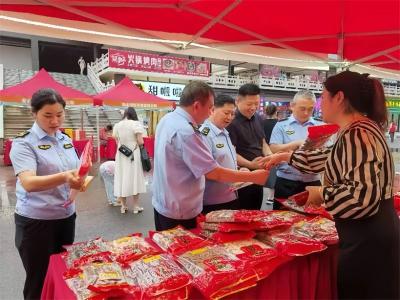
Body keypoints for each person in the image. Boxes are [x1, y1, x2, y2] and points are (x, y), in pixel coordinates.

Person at [265, 71, 399, 299]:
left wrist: (321, 193)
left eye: (323, 98)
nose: (320, 105)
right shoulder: (357, 130)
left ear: (339, 98)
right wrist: (284, 157)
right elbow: (329, 157)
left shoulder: (358, 135)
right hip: (370, 233)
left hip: (368, 236)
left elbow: (360, 198)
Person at [152, 81, 269, 231]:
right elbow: (213, 172)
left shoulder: (168, 119)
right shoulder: (187, 132)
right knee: (184, 251)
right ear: (196, 106)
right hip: (180, 209)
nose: (210, 113)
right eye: (209, 108)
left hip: (165, 202)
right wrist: (252, 177)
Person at [10, 88, 84, 300]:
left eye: (59, 114)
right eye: (48, 115)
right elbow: (29, 183)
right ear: (34, 113)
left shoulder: (65, 139)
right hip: (36, 223)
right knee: (39, 280)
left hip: (66, 218)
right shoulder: (24, 143)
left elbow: (77, 171)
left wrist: (75, 190)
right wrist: (65, 178)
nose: (55, 121)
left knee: (62, 273)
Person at [269, 90, 323, 210]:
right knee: (282, 219)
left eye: (310, 109)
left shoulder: (320, 125)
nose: (306, 112)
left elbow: (327, 152)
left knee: (313, 222)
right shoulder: (281, 125)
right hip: (286, 181)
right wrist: (295, 144)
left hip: (312, 182)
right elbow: (273, 149)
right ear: (292, 106)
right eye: (302, 108)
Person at [226, 83, 272, 210]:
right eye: (249, 104)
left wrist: (269, 156)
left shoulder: (258, 118)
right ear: (237, 101)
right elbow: (231, 153)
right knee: (242, 212)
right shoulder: (231, 122)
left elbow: (263, 143)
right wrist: (251, 165)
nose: (253, 107)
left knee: (256, 210)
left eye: (256, 104)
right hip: (242, 177)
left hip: (259, 175)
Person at [199, 94, 240, 214]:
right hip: (213, 200)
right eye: (226, 113)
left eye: (232, 114)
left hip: (231, 195)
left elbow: (225, 160)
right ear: (212, 110)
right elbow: (207, 170)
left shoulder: (224, 132)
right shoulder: (204, 134)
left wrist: (239, 171)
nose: (230, 117)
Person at [113, 107, 146, 214]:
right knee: (134, 178)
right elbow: (140, 141)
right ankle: (135, 206)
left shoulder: (117, 125)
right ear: (133, 114)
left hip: (121, 154)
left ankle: (123, 206)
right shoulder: (136, 124)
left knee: (121, 177)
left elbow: (116, 140)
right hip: (133, 154)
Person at [262, 103, 279, 204]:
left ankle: (268, 195)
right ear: (276, 112)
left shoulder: (261, 123)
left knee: (266, 173)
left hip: (264, 151)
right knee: (275, 174)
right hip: (275, 151)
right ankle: (271, 196)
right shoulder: (279, 123)